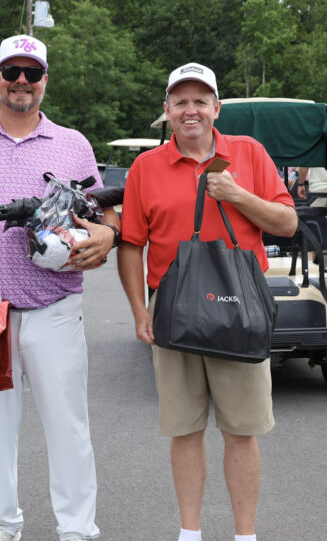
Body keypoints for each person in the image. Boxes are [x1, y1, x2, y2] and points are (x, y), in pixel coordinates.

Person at [0, 34, 116, 541]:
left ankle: (77, 529)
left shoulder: (74, 144)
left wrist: (105, 233)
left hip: (55, 305)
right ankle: (2, 525)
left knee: (68, 426)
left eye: (31, 73)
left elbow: (101, 212)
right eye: (11, 71)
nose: (21, 82)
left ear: (44, 82)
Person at [117, 63, 297, 541]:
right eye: (181, 101)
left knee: (242, 430)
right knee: (184, 429)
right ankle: (190, 532)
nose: (190, 110)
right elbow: (131, 244)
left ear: (217, 108)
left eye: (200, 101)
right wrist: (140, 310)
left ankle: (245, 535)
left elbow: (286, 223)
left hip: (239, 306)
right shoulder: (145, 168)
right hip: (174, 310)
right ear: (167, 111)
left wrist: (237, 194)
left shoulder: (250, 154)